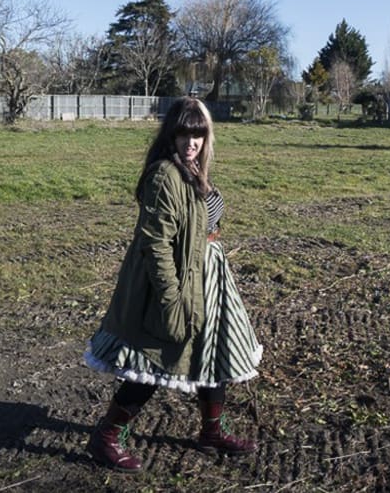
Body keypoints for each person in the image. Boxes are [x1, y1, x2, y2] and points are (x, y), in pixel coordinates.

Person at [83, 97, 263, 472]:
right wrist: (171, 299)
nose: (191, 141)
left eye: (198, 133)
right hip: (174, 283)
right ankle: (105, 437)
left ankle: (211, 430)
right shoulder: (166, 174)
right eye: (184, 133)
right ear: (172, 134)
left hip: (209, 280)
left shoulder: (194, 169)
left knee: (214, 356)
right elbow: (155, 244)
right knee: (154, 360)